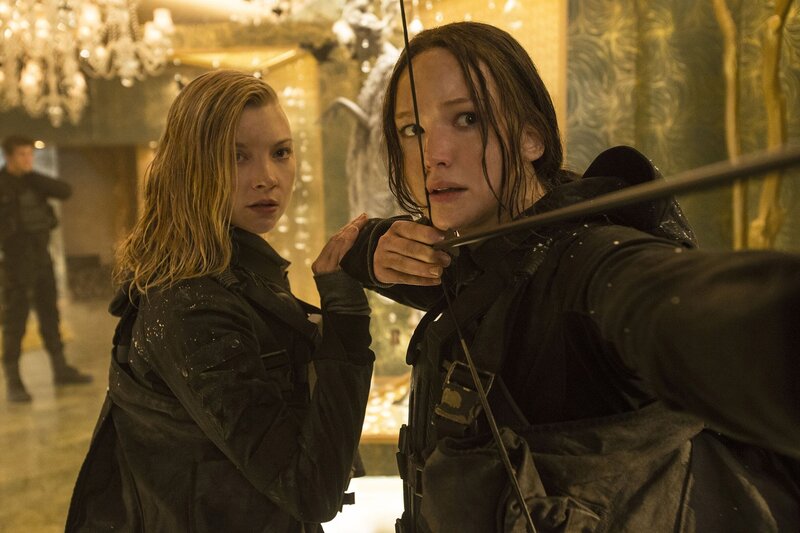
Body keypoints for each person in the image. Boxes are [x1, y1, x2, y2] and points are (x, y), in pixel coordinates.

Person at [339, 22, 800, 532]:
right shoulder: (473, 255)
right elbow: (393, 263)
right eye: (413, 130)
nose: (433, 154)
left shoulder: (588, 262)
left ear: (532, 137)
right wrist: (369, 246)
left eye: (468, 119)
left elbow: (680, 306)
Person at [66, 70, 374, 531]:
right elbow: (309, 489)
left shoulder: (228, 271)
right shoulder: (192, 303)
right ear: (192, 166)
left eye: (280, 152)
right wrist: (346, 315)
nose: (267, 178)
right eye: (236, 157)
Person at [0, 135, 92, 403]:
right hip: (15, 263)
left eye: (30, 154)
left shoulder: (35, 181)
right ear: (9, 156)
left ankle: (60, 369)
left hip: (42, 259)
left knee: (50, 316)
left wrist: (31, 176)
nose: (27, 159)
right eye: (22, 155)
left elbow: (65, 191)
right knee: (15, 322)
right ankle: (14, 380)